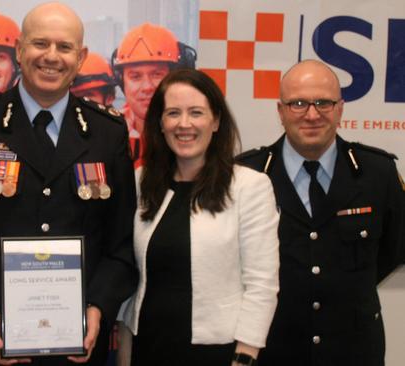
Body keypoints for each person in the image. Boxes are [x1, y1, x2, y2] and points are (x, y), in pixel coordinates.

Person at [0, 2, 137, 366]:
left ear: (81, 58)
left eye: (64, 47)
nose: (51, 57)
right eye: (40, 44)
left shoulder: (107, 132)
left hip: (77, 344)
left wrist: (97, 307)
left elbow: (121, 243)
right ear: (19, 50)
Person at [236, 59, 405, 366]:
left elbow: (392, 251)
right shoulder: (246, 175)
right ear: (281, 111)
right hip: (272, 351)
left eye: (323, 103)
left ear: (340, 108)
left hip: (353, 352)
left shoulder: (377, 173)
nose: (311, 115)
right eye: (298, 103)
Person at [122, 69, 279, 365]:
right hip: (149, 347)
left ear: (216, 121)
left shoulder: (249, 186)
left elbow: (262, 284)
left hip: (218, 352)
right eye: (173, 113)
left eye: (196, 112)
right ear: (160, 123)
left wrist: (245, 357)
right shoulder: (141, 182)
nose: (184, 124)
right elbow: (133, 279)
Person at [111, 22, 196, 168]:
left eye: (157, 74)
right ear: (122, 81)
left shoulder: (197, 131)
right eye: (135, 76)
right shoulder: (104, 132)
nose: (147, 87)